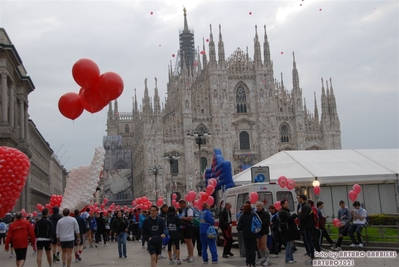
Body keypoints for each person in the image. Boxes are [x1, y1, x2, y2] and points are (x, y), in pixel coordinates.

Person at [279, 199, 298, 264]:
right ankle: (288, 258)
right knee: (289, 244)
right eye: (286, 203)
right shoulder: (283, 212)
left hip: (290, 229)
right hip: (287, 230)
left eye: (287, 203)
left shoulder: (286, 212)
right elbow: (289, 219)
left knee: (291, 245)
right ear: (282, 205)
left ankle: (291, 258)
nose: (287, 204)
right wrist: (296, 214)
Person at [298, 195, 315, 265]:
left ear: (301, 199)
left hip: (306, 227)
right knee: (308, 242)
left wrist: (299, 215)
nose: (298, 200)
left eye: (299, 199)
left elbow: (303, 218)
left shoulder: (305, 207)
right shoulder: (305, 206)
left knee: (309, 242)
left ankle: (312, 257)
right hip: (307, 227)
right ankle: (311, 257)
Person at [255, 201, 271, 266]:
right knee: (259, 245)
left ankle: (268, 259)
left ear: (262, 206)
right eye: (257, 206)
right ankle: (262, 258)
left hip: (263, 231)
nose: (258, 207)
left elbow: (266, 222)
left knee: (263, 245)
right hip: (257, 231)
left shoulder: (266, 213)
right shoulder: (256, 213)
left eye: (259, 206)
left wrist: (259, 224)